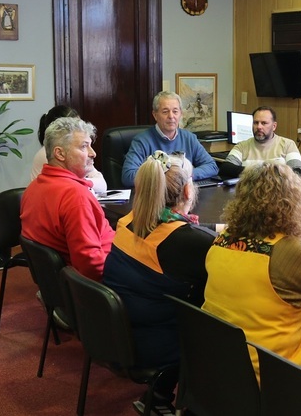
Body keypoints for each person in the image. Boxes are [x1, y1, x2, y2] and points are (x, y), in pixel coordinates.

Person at [201, 162, 301, 376]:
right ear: (292, 202)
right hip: (270, 375)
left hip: (219, 366)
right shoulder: (288, 248)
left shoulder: (223, 239)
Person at [103, 151, 216, 415]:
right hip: (154, 344)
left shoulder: (128, 221)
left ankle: (159, 395)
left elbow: (181, 231)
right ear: (188, 190)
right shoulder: (189, 243)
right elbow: (196, 241)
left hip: (116, 330)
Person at [20, 117, 115, 281]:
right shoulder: (75, 196)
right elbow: (91, 266)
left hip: (62, 283)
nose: (93, 153)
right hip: (101, 283)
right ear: (60, 153)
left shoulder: (33, 188)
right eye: (84, 146)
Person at [121, 91, 219, 187]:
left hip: (184, 195)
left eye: (175, 111)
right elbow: (128, 177)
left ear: (180, 114)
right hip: (156, 198)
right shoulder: (141, 141)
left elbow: (212, 166)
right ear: (155, 115)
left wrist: (185, 174)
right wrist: (168, 177)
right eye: (165, 112)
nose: (171, 116)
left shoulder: (189, 138)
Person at [29, 105, 107, 193]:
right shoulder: (48, 154)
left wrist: (83, 182)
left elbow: (102, 186)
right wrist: (85, 184)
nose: (93, 153)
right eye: (84, 146)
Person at [225, 106, 301, 175]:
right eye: (256, 123)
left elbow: (296, 172)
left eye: (264, 123)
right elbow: (226, 168)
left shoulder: (288, 145)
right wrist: (265, 172)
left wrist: (254, 172)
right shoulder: (241, 146)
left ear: (274, 126)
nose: (259, 127)